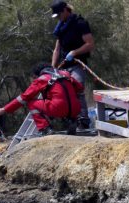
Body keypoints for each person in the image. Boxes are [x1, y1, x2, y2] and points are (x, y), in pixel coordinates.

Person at [0, 63, 84, 135]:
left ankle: (45, 129)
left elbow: (23, 98)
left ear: (37, 74)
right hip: (76, 109)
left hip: (58, 108)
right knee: (69, 100)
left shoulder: (41, 79)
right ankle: (72, 121)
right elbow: (80, 88)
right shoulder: (66, 74)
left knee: (31, 103)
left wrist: (4, 109)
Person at [50, 0, 95, 129]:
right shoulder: (61, 27)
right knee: (61, 91)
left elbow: (90, 44)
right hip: (64, 66)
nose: (58, 18)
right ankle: (70, 119)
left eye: (59, 15)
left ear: (65, 10)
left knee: (77, 87)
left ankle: (84, 120)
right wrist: (52, 67)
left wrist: (75, 52)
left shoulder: (80, 23)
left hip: (77, 64)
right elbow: (57, 49)